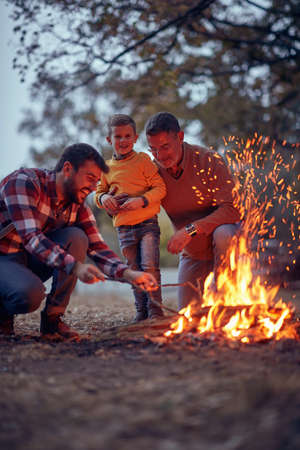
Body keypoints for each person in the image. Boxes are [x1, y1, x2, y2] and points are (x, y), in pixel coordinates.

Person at [0, 143, 158, 338]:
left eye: (96, 182)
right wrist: (76, 267)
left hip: (27, 261)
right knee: (29, 294)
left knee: (77, 237)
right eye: (90, 178)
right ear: (67, 169)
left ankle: (52, 321)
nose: (93, 188)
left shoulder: (76, 205)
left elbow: (97, 247)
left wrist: (128, 274)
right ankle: (3, 314)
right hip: (4, 257)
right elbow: (32, 239)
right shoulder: (23, 183)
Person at [145, 112, 240, 310]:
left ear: (180, 137)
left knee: (225, 233)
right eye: (153, 149)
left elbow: (233, 210)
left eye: (165, 147)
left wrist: (190, 230)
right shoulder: (153, 172)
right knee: (188, 316)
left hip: (227, 251)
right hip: (193, 255)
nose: (160, 156)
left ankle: (225, 288)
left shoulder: (209, 160)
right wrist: (108, 199)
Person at [95, 114, 166, 321]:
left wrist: (142, 200)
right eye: (118, 137)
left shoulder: (143, 160)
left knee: (150, 266)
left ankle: (155, 310)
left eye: (128, 136)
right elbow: (98, 194)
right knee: (134, 269)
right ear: (109, 140)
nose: (123, 141)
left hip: (148, 224)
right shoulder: (106, 169)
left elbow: (160, 187)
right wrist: (105, 198)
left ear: (135, 138)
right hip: (124, 228)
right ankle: (141, 311)